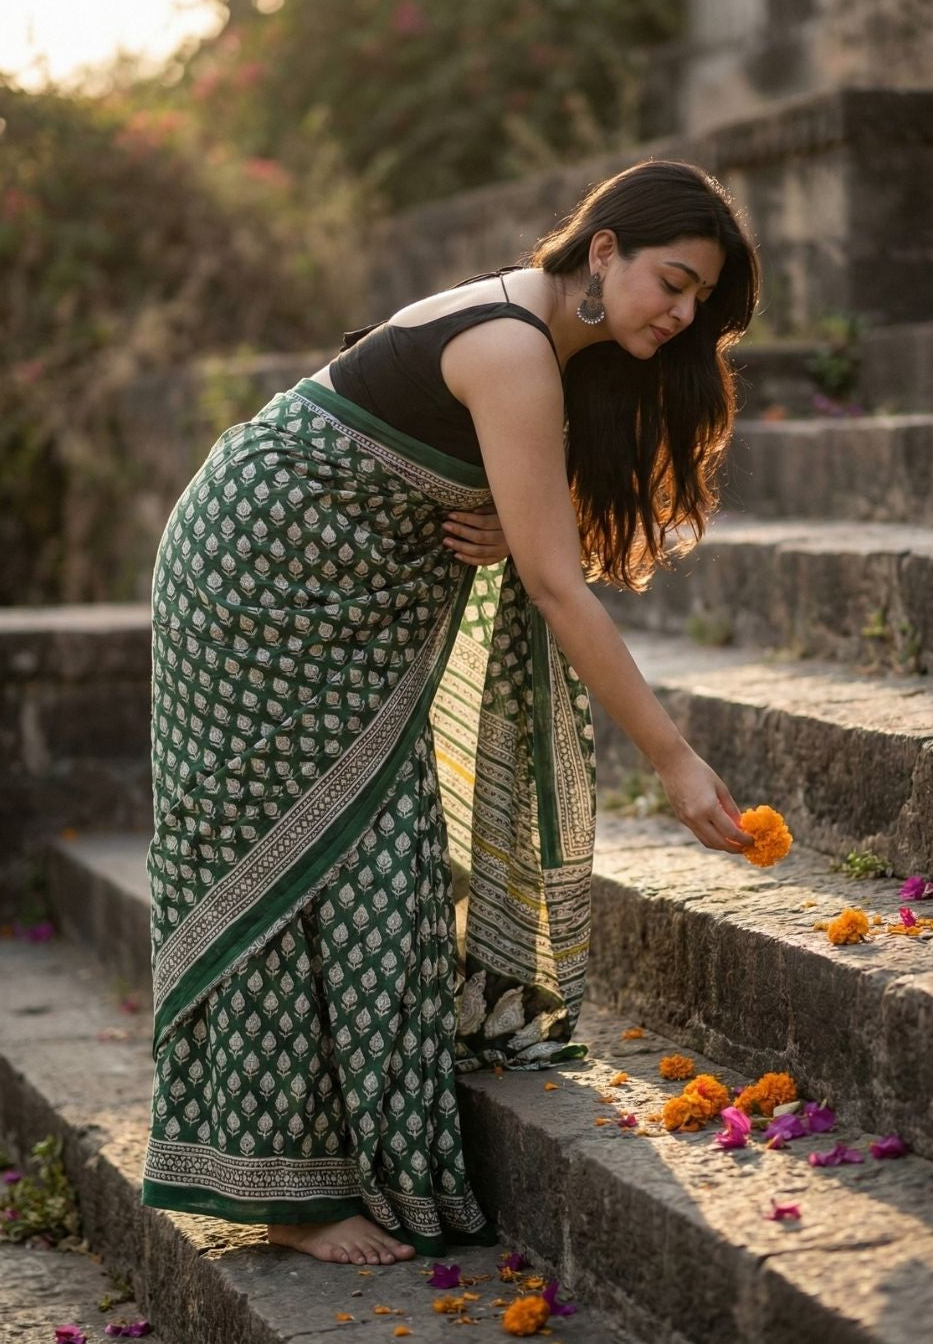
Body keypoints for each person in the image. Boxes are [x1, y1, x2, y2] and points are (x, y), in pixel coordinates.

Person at [141, 159, 760, 1269]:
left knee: (380, 856)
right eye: (673, 282)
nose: (681, 316)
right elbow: (557, 586)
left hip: (341, 590)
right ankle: (286, 1193)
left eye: (700, 303)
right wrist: (674, 760)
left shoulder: (552, 345)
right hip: (256, 579)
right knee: (285, 858)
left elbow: (521, 521)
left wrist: (504, 515)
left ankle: (336, 1161)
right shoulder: (513, 345)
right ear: (604, 249)